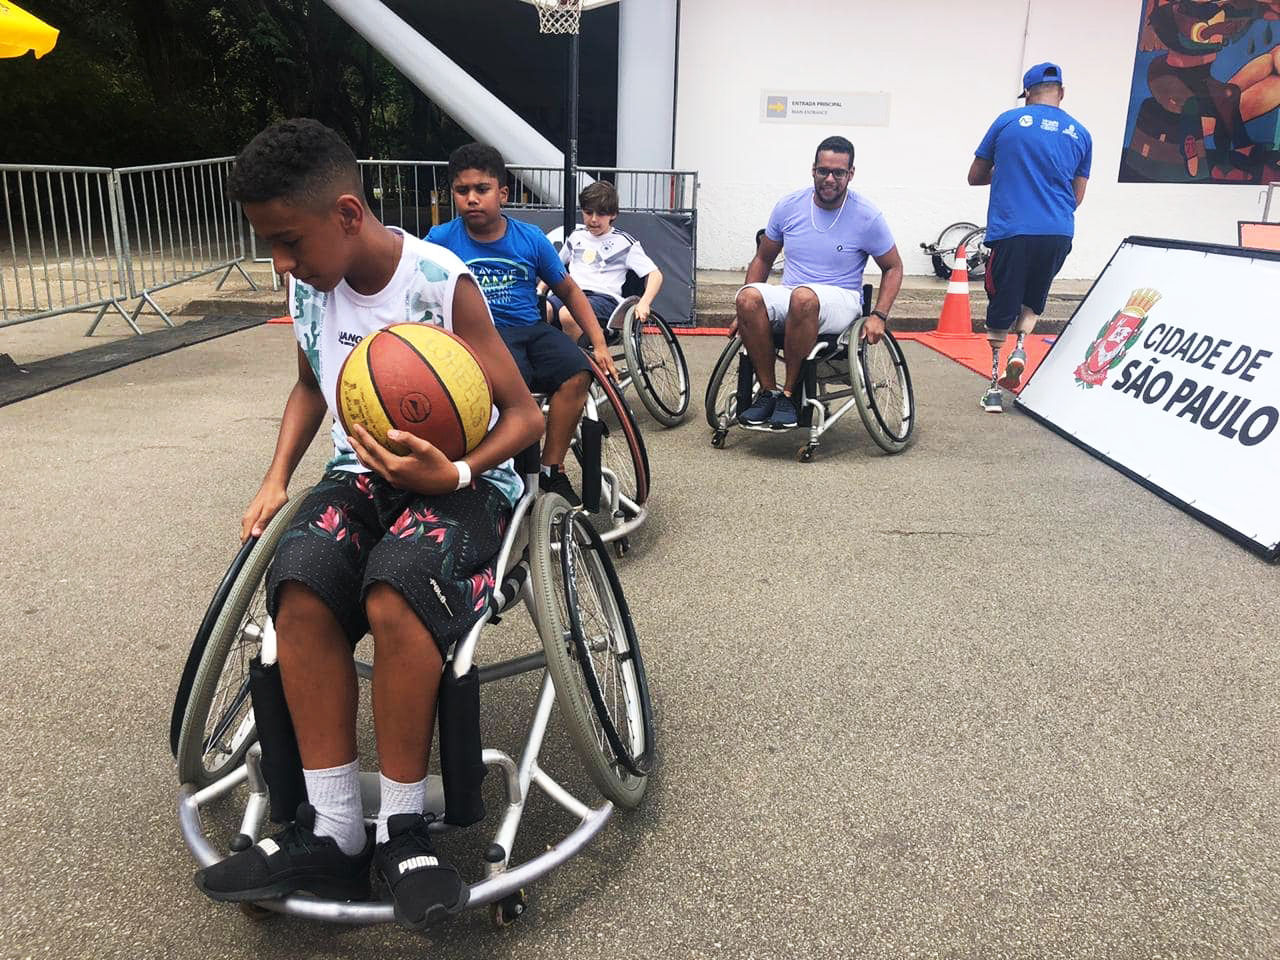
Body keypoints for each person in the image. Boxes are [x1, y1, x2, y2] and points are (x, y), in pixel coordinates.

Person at [191, 119, 544, 930]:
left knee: (396, 589)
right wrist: (277, 476)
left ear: (347, 214)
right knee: (302, 581)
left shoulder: (440, 282)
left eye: (288, 242)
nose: (280, 263)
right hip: (361, 476)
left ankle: (404, 829)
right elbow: (312, 386)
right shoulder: (310, 284)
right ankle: (333, 828)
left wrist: (452, 471)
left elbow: (522, 416)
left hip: (457, 479)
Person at [427, 144, 616, 506]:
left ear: (502, 193)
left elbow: (570, 291)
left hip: (531, 328)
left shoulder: (529, 238)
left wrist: (600, 343)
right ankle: (504, 475)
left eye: (481, 189)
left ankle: (550, 469)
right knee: (513, 383)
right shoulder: (440, 241)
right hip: (479, 337)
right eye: (462, 190)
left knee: (578, 371)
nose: (471, 199)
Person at [732, 135, 904, 430]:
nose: (829, 179)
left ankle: (789, 395)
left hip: (841, 299)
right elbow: (763, 258)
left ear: (850, 174)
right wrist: (744, 315)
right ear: (813, 170)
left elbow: (893, 267)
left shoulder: (867, 216)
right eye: (823, 170)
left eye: (838, 172)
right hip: (794, 294)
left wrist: (879, 316)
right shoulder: (789, 206)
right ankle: (769, 392)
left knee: (804, 297)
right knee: (748, 297)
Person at [969, 61, 1092, 412]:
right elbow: (1077, 195)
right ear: (1062, 93)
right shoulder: (1081, 133)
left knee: (1001, 301)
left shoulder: (1008, 122)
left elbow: (975, 176)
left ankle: (994, 386)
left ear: (1027, 96)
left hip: (1013, 230)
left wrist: (1007, 170)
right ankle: (1021, 349)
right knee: (1034, 297)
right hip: (1057, 231)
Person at [545, 180, 664, 344]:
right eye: (588, 212)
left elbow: (655, 275)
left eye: (600, 214)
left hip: (604, 300)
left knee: (568, 314)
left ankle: (573, 364)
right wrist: (539, 291)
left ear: (613, 214)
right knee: (540, 310)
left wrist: (644, 303)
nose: (593, 219)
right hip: (570, 293)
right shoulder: (575, 236)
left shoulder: (625, 242)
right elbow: (553, 268)